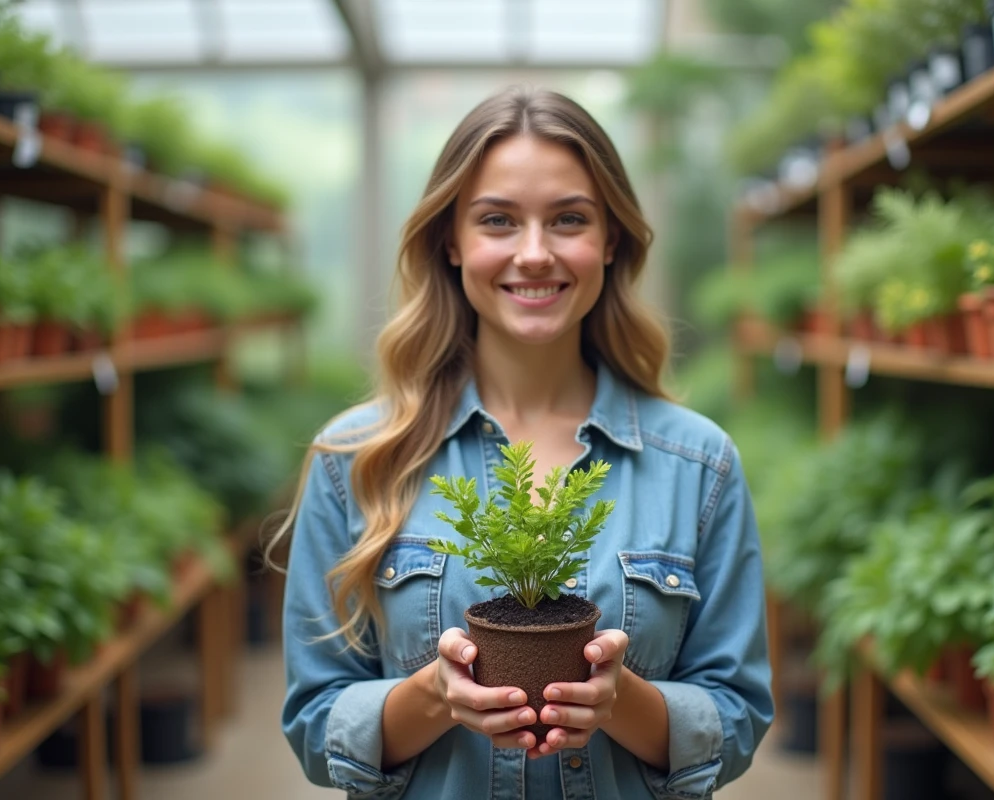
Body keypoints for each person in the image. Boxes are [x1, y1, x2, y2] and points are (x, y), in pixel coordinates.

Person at [271, 86, 773, 800]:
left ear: (610, 241)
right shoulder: (356, 458)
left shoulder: (698, 464)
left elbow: (738, 715)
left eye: (569, 219)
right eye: (498, 220)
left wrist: (620, 701)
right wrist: (436, 697)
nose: (534, 254)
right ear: (451, 240)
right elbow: (314, 722)